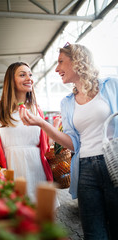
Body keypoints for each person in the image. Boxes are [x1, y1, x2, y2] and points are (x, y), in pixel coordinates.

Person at [19, 43, 118, 240]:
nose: (56, 69)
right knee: (93, 232)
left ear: (78, 61)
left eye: (61, 62)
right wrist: (41, 123)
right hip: (85, 168)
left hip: (114, 164)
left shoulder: (111, 86)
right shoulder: (67, 103)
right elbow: (73, 143)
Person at [0, 62, 56, 203]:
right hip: (10, 167)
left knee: (42, 216)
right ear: (11, 81)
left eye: (30, 74)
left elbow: (44, 143)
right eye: (22, 74)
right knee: (16, 214)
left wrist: (55, 130)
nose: (29, 78)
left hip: (37, 168)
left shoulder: (36, 109)